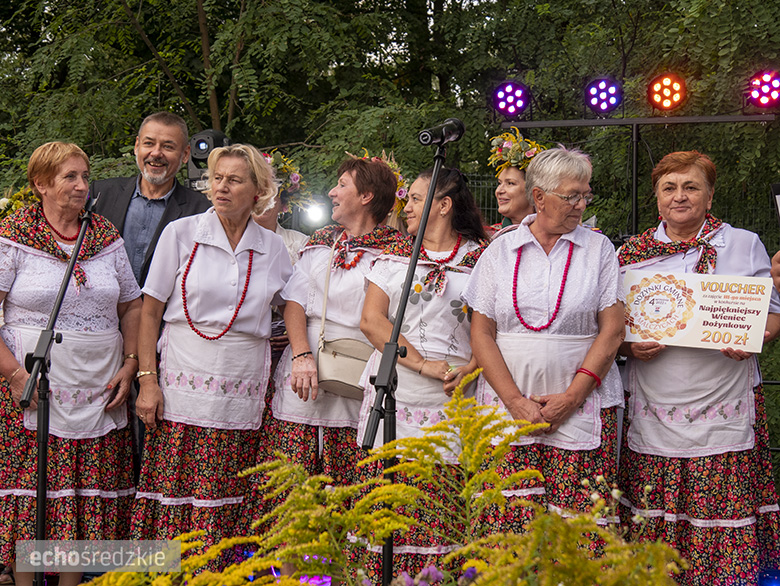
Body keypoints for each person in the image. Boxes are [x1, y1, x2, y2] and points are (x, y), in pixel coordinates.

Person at [617, 151, 780, 585]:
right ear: (656, 198)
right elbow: (612, 326)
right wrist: (630, 347)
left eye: (690, 187)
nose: (679, 196)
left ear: (710, 196)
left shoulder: (743, 243)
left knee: (720, 510)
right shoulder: (631, 253)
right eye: (669, 188)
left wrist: (753, 339)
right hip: (655, 405)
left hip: (723, 402)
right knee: (656, 521)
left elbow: (773, 316)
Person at [130, 144, 292, 565]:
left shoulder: (273, 248)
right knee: (178, 494)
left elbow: (294, 305)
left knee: (229, 495)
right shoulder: (181, 234)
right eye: (217, 178)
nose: (221, 187)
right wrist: (148, 380)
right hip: (183, 384)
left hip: (242, 392)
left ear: (258, 191)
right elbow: (149, 311)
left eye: (234, 180)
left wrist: (306, 355)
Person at [462, 147, 625, 535]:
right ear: (539, 197)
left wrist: (571, 397)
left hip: (583, 406)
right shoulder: (500, 249)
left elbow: (613, 330)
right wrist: (515, 401)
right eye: (571, 195)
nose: (581, 204)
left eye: (585, 194)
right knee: (510, 527)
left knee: (580, 528)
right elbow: (481, 332)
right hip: (507, 407)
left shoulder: (599, 249)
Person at [0, 142, 142, 586]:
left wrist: (132, 362)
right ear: (40, 184)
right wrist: (14, 373)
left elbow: (132, 306)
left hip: (100, 386)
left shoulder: (104, 236)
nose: (83, 185)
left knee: (85, 499)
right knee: (35, 495)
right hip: (31, 384)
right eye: (70, 177)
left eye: (85, 176)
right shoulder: (13, 235)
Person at [358, 167, 489, 579]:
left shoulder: (483, 260)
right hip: (395, 388)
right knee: (390, 498)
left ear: (444, 205)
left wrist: (470, 368)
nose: (406, 206)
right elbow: (372, 321)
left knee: (439, 501)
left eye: (415, 198)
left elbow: (496, 328)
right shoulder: (395, 255)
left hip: (453, 395)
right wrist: (420, 363)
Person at [263, 156, 401, 489]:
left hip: (364, 375)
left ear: (366, 196)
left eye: (342, 185)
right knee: (293, 484)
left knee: (353, 487)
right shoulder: (322, 240)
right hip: (307, 371)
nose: (332, 192)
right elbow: (294, 303)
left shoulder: (400, 252)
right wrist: (300, 355)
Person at [92, 111, 212, 287]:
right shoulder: (101, 194)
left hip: (163, 313)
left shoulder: (201, 211)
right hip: (103, 311)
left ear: (185, 154)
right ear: (137, 146)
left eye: (168, 147)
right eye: (149, 143)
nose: (156, 153)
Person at [486, 128, 546, 237]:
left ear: (534, 191)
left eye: (510, 183)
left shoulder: (552, 236)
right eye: (500, 183)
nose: (499, 191)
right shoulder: (488, 237)